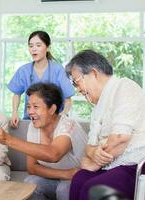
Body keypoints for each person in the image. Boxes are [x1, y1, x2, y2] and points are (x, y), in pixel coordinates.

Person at [0, 83, 87, 200]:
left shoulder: (68, 126)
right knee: (30, 183)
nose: (30, 112)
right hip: (61, 176)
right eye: (28, 106)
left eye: (36, 107)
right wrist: (66, 174)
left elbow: (53, 154)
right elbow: (32, 168)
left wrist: (8, 139)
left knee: (63, 190)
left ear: (52, 109)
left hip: (79, 178)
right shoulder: (33, 127)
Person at [65, 49, 145, 200]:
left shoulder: (125, 87)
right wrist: (92, 154)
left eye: (77, 82)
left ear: (94, 73)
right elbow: (89, 146)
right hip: (111, 163)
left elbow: (121, 137)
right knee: (78, 179)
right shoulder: (97, 107)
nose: (78, 90)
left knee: (93, 188)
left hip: (134, 165)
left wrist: (94, 161)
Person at [8, 30, 75, 128]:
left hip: (54, 122)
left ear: (48, 47)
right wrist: (14, 112)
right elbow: (16, 94)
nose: (34, 49)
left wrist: (63, 115)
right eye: (31, 46)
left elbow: (68, 99)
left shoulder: (58, 70)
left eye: (38, 45)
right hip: (31, 120)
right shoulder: (24, 70)